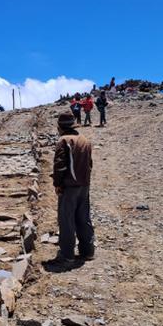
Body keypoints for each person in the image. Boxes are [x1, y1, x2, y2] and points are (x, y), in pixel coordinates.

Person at [50, 112, 94, 267]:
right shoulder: (85, 141)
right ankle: (87, 251)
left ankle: (67, 254)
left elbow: (60, 165)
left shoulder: (63, 141)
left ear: (60, 127)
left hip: (69, 186)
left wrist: (57, 184)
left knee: (66, 220)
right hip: (84, 185)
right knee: (83, 217)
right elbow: (90, 164)